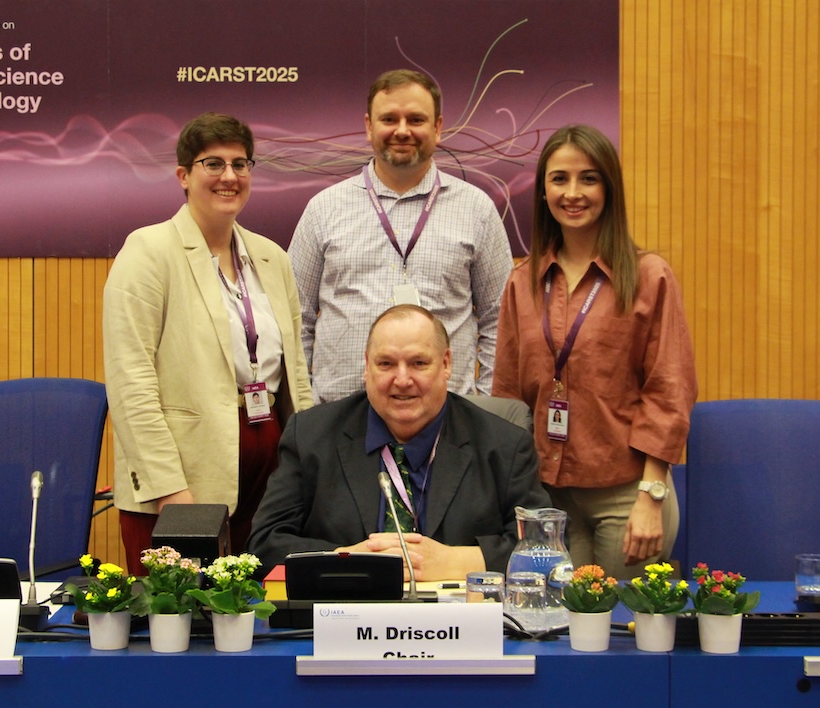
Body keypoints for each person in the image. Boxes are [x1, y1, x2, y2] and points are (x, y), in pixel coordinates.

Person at [103, 112, 314, 576]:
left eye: (240, 164)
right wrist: (168, 489)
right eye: (212, 164)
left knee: (257, 621)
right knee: (180, 625)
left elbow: (295, 372)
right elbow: (129, 382)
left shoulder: (271, 258)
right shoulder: (147, 252)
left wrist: (307, 465)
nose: (229, 177)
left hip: (268, 465)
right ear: (183, 175)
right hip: (184, 475)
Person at [492, 124, 698, 577]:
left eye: (589, 178)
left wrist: (651, 496)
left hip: (626, 494)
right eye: (559, 178)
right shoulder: (522, 282)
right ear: (543, 191)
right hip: (547, 500)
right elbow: (508, 396)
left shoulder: (648, 276)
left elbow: (669, 390)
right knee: (553, 630)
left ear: (609, 188)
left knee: (615, 632)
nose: (573, 192)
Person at [247, 305, 549, 580]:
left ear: (446, 364)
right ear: (367, 366)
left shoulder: (505, 445)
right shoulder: (311, 436)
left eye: (418, 363)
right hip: (343, 623)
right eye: (386, 363)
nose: (402, 379)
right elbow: (263, 546)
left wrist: (461, 560)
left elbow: (546, 549)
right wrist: (346, 559)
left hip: (457, 627)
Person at [288, 69, 513, 403]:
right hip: (338, 421)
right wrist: (305, 410)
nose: (402, 131)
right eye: (389, 118)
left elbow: (502, 324)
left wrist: (481, 409)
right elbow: (295, 321)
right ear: (369, 126)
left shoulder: (476, 210)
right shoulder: (323, 209)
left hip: (448, 423)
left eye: (416, 119)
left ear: (438, 127)